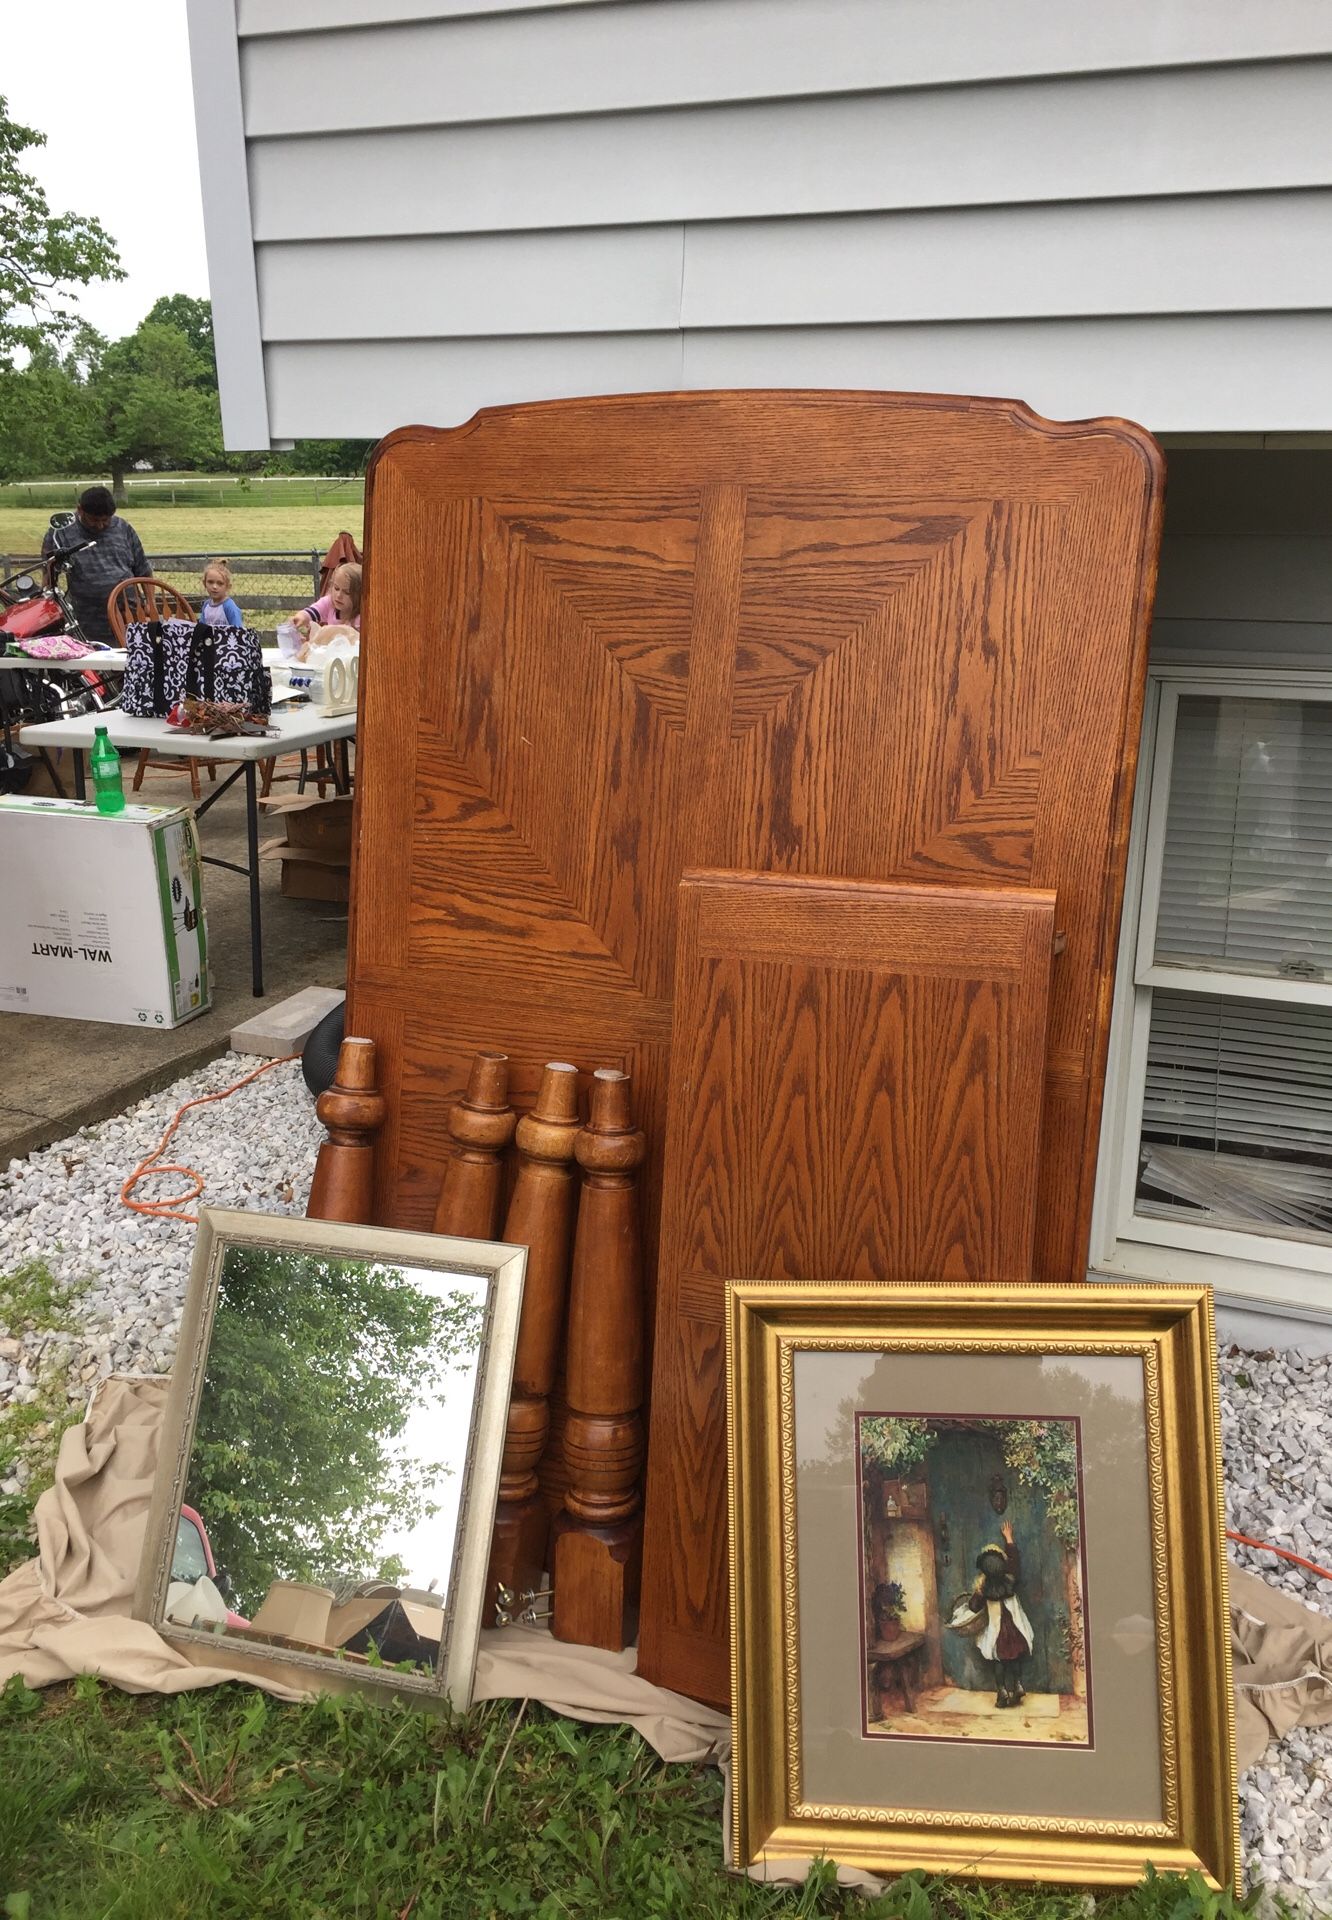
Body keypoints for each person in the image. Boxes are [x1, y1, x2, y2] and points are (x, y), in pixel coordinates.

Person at [41, 486, 148, 647]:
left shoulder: (122, 527)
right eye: (94, 520)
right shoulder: (61, 532)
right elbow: (47, 574)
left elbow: (143, 569)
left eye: (106, 520)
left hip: (129, 613)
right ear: (80, 510)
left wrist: (150, 604)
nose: (100, 526)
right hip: (87, 619)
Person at [947, 1519, 1034, 1707]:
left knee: (999, 1661)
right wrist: (1009, 1539)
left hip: (997, 1633)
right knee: (1016, 1657)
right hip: (1014, 1629)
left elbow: (973, 1607)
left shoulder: (984, 1588)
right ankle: (1018, 1684)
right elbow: (1015, 1563)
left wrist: (973, 1598)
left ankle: (1002, 1690)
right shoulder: (1011, 1579)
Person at [291, 561, 361, 646]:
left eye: (347, 592)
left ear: (359, 595)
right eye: (336, 588)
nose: (339, 595)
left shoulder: (361, 617)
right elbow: (313, 611)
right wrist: (301, 617)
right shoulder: (329, 602)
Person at [200, 558, 244, 628]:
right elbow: (201, 629)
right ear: (204, 583)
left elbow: (238, 631)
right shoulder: (206, 606)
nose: (214, 587)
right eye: (210, 582)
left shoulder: (229, 607)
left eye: (220, 583)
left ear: (227, 586)